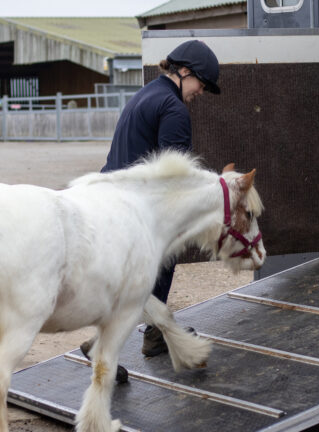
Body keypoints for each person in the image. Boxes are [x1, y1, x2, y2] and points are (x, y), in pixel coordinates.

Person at [80, 40, 221, 368]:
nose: (201, 92)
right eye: (202, 83)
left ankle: (152, 335)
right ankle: (111, 342)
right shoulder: (173, 110)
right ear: (185, 72)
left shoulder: (146, 94)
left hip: (111, 197)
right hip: (135, 208)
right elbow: (175, 179)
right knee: (159, 262)